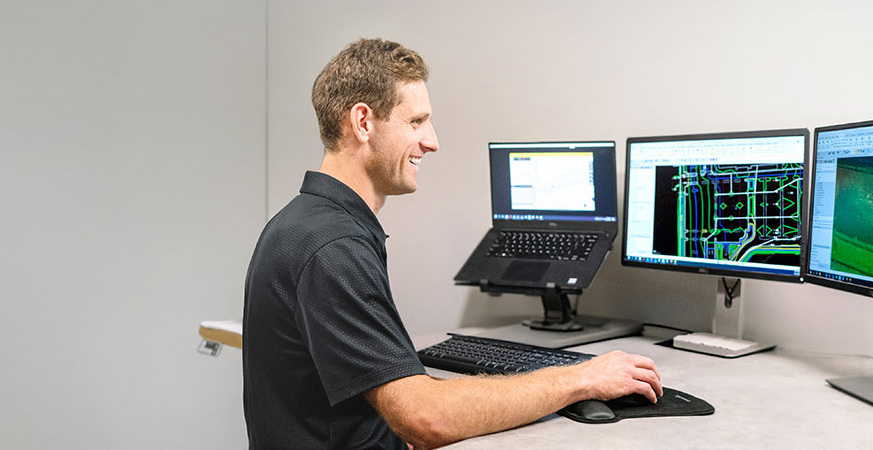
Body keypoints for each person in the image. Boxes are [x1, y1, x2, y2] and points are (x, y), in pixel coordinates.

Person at [242, 38, 662, 449]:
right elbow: (426, 419)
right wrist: (580, 378)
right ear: (363, 122)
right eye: (415, 121)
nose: (432, 141)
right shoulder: (333, 247)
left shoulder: (300, 224)